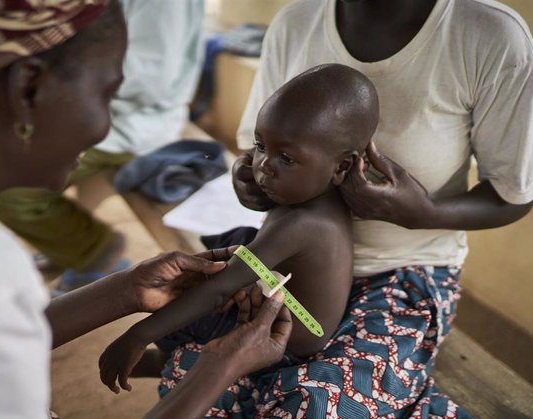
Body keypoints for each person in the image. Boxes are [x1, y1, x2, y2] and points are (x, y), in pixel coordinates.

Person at [0, 1, 292, 419]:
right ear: (29, 87)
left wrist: (124, 290)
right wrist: (219, 370)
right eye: (106, 93)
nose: (104, 128)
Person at [156, 0, 533, 419]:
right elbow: (257, 145)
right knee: (198, 405)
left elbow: (512, 195)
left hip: (403, 275)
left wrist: (420, 213)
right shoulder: (297, 22)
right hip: (289, 266)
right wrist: (248, 176)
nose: (266, 164)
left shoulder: (487, 35)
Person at [98, 63, 378, 392]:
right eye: (260, 146)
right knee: (225, 250)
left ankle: (163, 362)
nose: (262, 167)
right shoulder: (314, 190)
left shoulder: (304, 222)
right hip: (283, 293)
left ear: (342, 166)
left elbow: (220, 290)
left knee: (184, 297)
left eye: (285, 158)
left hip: (290, 338)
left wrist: (138, 335)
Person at [0, 0, 206, 286]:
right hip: (107, 112)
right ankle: (71, 248)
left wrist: (60, 82)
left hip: (130, 123)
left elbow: (152, 79)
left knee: (12, 192)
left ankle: (97, 253)